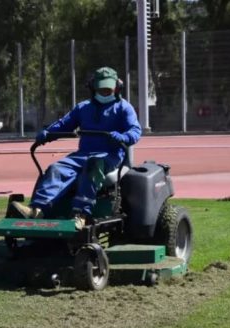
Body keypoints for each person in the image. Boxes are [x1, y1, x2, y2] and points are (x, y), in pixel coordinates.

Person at [12, 66, 142, 229]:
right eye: (102, 89)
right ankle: (38, 209)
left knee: (92, 166)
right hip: (83, 154)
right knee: (57, 168)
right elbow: (64, 124)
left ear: (117, 87)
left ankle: (81, 214)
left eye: (109, 89)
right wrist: (48, 133)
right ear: (93, 87)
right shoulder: (83, 108)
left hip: (110, 155)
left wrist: (123, 137)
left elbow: (135, 131)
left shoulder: (124, 108)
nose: (105, 92)